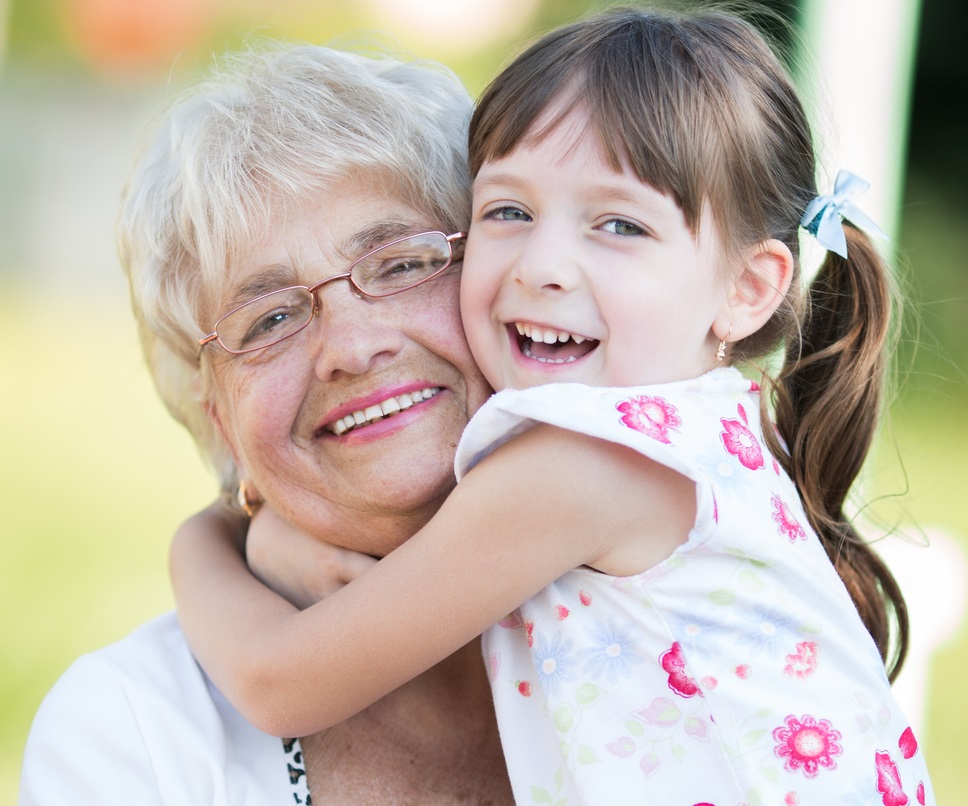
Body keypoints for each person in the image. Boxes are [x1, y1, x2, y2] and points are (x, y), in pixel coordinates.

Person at [171, 6, 936, 805]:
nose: (543, 266)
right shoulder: (707, 428)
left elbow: (277, 682)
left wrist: (206, 538)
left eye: (617, 224)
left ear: (746, 289)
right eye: (508, 211)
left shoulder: (582, 467)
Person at [18, 42, 514, 804]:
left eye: (404, 263)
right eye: (271, 317)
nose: (350, 346)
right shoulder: (134, 734)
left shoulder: (671, 576)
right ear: (218, 418)